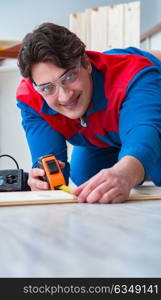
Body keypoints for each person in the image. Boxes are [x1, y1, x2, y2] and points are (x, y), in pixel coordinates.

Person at [16, 22, 161, 204]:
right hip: (107, 131)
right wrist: (41, 181)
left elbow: (143, 130)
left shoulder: (134, 75)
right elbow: (51, 167)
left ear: (86, 63)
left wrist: (127, 171)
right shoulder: (31, 97)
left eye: (69, 77)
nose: (64, 96)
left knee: (150, 169)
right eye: (47, 88)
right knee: (87, 177)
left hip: (153, 102)